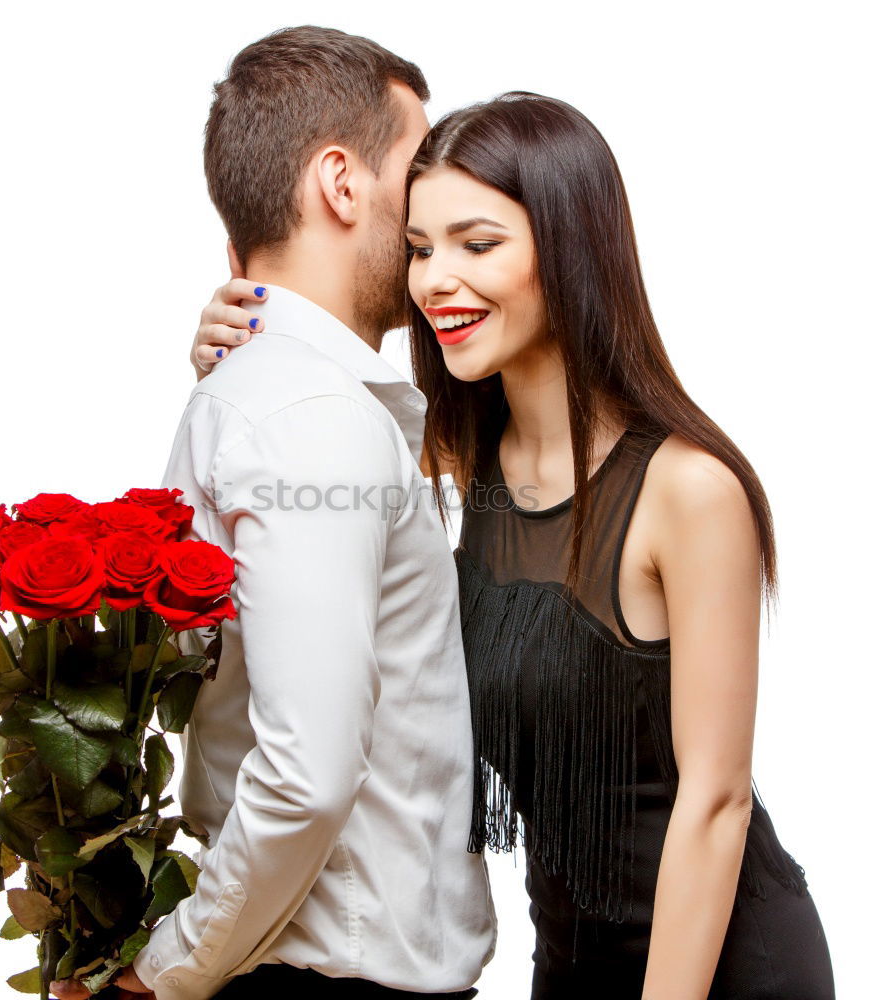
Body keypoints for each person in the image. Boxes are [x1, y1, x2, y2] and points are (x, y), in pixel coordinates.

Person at [193, 93, 835, 998]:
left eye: (477, 244)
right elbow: (301, 414)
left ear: (569, 249)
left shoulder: (690, 491)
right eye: (418, 249)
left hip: (718, 965)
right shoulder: (459, 453)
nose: (434, 281)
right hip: (567, 964)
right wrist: (233, 342)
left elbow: (717, 805)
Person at [51, 26, 495, 1000]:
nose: (435, 209)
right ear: (341, 183)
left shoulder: (280, 396)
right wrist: (164, 972)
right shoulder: (308, 411)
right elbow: (306, 771)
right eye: (414, 172)